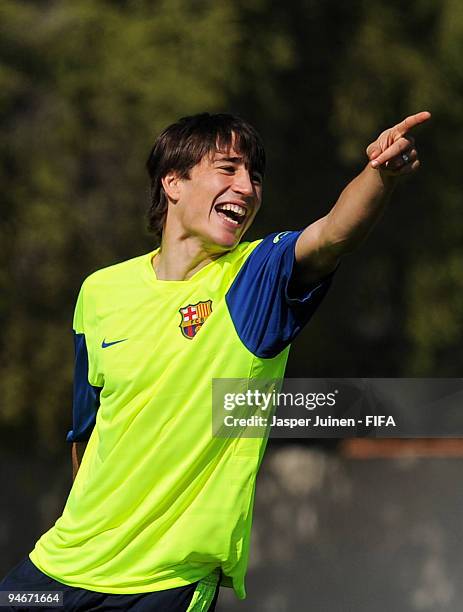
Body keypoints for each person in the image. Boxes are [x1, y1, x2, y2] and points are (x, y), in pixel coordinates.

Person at [1, 111, 430, 611]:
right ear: (173, 182)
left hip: (164, 584)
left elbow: (333, 234)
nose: (247, 188)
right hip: (59, 568)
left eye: (255, 177)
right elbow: (87, 431)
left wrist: (380, 174)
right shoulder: (100, 292)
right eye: (228, 169)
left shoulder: (256, 278)